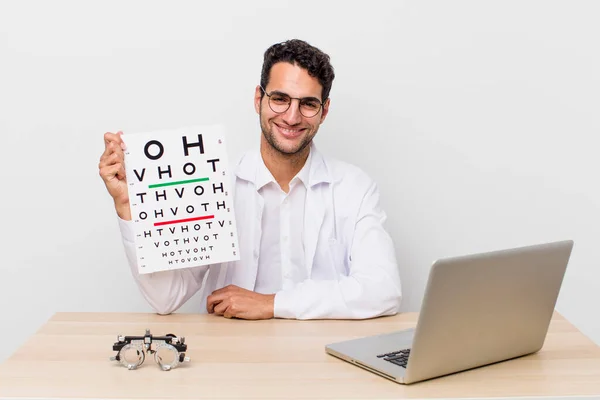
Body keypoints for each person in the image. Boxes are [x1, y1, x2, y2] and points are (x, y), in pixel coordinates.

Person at [98, 39, 402, 320]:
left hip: (324, 361)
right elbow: (165, 298)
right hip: (233, 362)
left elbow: (383, 291)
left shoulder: (353, 187)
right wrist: (128, 206)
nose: (292, 117)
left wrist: (271, 304)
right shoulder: (216, 185)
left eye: (308, 104)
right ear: (259, 99)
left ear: (324, 111)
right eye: (280, 99)